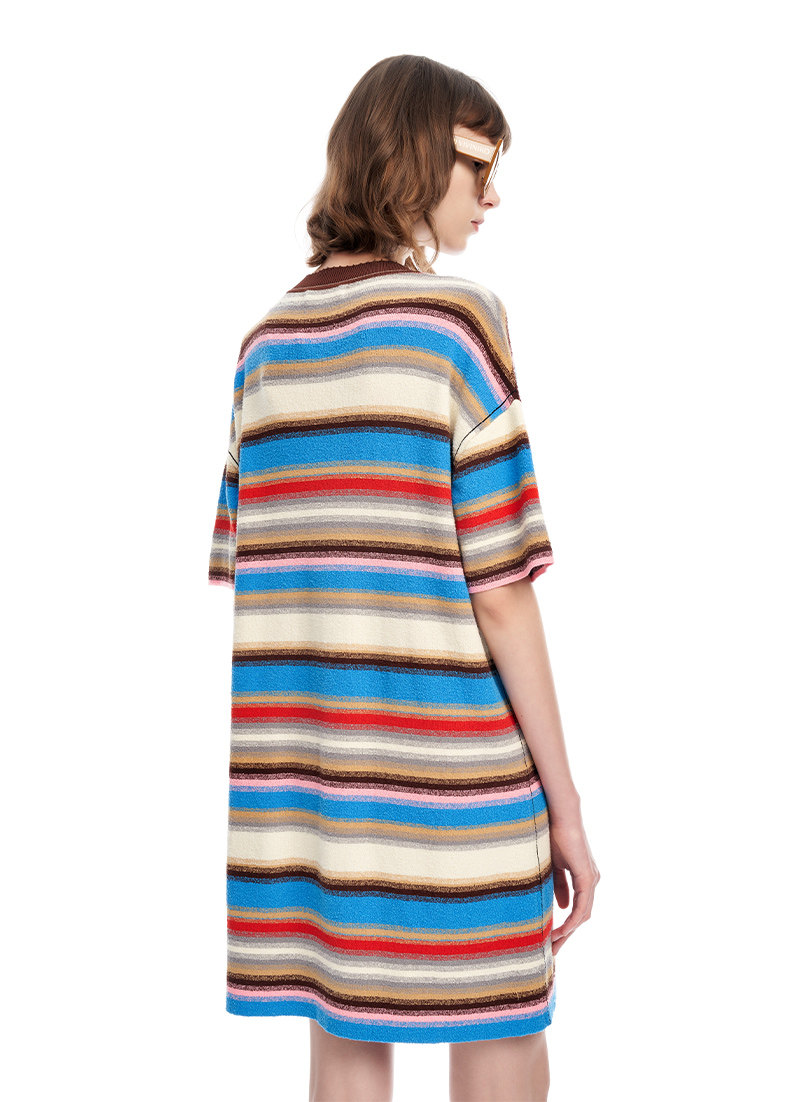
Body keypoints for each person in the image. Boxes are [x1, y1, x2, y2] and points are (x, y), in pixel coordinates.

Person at [208, 53, 600, 1102]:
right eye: (482, 163)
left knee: (343, 1048)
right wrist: (566, 808)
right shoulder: (457, 327)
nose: (492, 194)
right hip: (460, 790)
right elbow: (502, 591)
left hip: (318, 807)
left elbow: (266, 583)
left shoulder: (261, 351)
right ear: (423, 153)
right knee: (504, 1033)